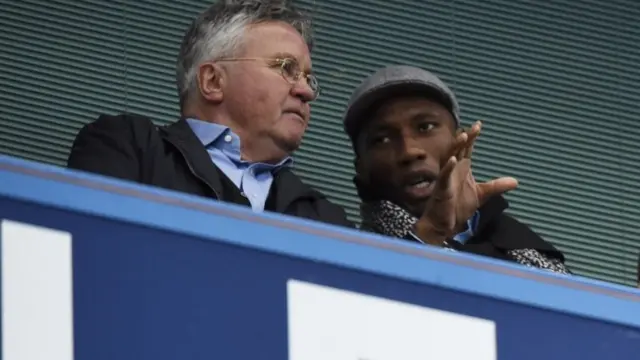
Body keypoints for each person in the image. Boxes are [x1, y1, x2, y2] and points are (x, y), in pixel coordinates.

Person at [67, 0, 351, 227]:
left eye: (308, 78)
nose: (306, 91)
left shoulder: (325, 217)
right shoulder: (129, 150)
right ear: (213, 82)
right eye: (286, 68)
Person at [343, 65, 571, 273]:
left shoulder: (519, 242)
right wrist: (429, 233)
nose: (410, 151)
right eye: (381, 140)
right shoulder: (353, 259)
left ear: (460, 138)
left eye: (426, 127)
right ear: (361, 167)